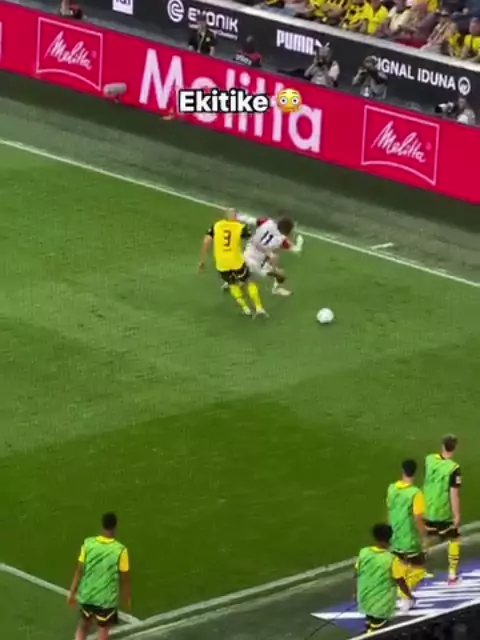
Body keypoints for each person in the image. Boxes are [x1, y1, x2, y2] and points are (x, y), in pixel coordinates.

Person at [68, 513, 131, 640]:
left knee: (83, 627)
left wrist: (72, 592)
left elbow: (79, 570)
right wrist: (127, 598)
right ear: (115, 527)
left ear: (102, 525)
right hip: (105, 600)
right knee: (103, 630)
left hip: (87, 596)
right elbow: (125, 579)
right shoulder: (120, 550)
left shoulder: (88, 544)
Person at [198, 210, 267, 316]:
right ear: (235, 216)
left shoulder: (216, 226)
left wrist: (202, 260)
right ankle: (259, 308)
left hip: (222, 263)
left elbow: (206, 241)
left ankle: (246, 309)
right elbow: (253, 241)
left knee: (232, 284)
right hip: (236, 262)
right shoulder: (240, 227)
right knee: (249, 281)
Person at [355, 523, 414, 634]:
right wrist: (409, 596)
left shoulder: (364, 552)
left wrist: (355, 591)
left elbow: (357, 572)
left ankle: (369, 630)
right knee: (379, 631)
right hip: (381, 604)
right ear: (390, 536)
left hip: (365, 598)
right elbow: (400, 580)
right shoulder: (392, 559)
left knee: (370, 620)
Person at [387, 459, 428, 612]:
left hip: (395, 537)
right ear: (415, 472)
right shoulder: (416, 493)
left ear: (402, 470)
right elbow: (418, 518)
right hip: (410, 539)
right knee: (419, 570)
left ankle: (404, 598)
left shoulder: (391, 489)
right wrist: (425, 537)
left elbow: (389, 510)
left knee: (401, 569)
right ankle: (404, 595)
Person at [423, 434, 462, 584]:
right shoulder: (454, 468)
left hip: (427, 508)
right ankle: (452, 575)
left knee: (427, 539)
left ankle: (419, 569)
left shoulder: (429, 459)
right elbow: (454, 493)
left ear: (442, 445)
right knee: (454, 538)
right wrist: (457, 515)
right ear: (454, 448)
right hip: (442, 512)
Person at [236, 213, 304, 296]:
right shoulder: (282, 240)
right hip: (259, 261)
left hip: (247, 252)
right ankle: (275, 288)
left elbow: (251, 220)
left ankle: (234, 280)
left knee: (246, 272)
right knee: (278, 271)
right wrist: (300, 242)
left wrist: (238, 216)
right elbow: (296, 250)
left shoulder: (267, 222)